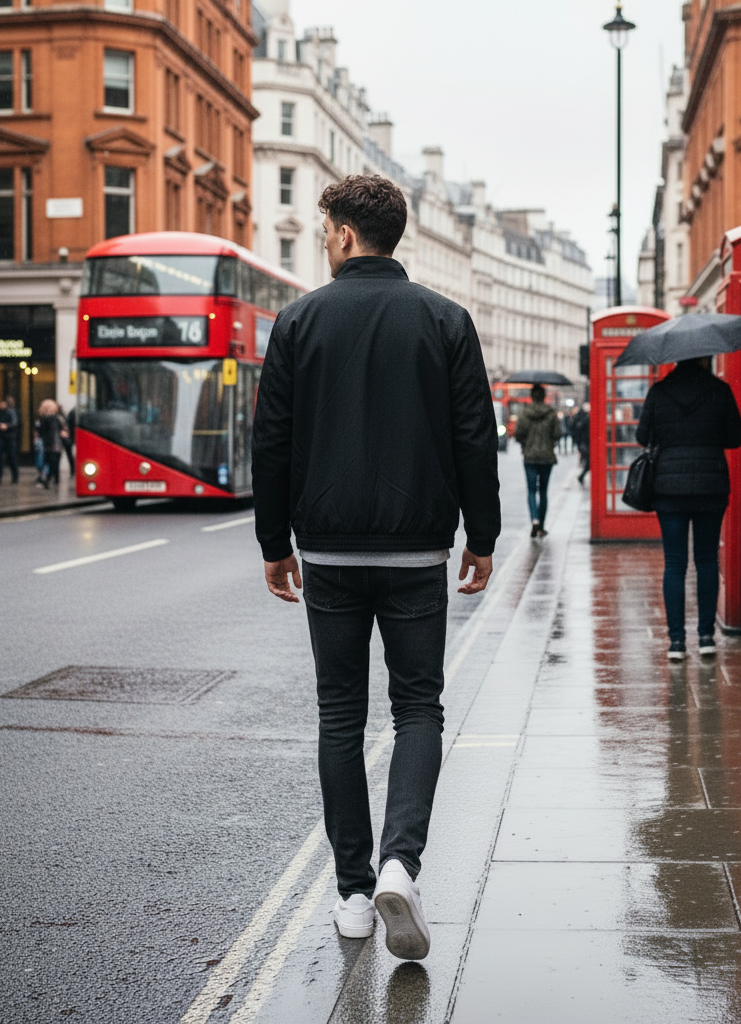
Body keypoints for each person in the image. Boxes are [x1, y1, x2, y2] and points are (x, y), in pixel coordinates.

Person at [252, 174, 500, 961]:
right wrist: (483, 536)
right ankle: (402, 862)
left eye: (326, 229)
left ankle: (356, 893)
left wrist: (272, 543)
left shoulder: (298, 322)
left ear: (348, 234)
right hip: (417, 549)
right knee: (418, 706)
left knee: (339, 715)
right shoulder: (446, 320)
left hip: (325, 551)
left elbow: (273, 444)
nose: (324, 240)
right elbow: (472, 438)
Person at [636, 357, 741, 660]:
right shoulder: (720, 390)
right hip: (711, 485)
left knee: (675, 563)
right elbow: (736, 437)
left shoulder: (659, 392)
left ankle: (677, 643)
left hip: (669, 488)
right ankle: (706, 637)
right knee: (707, 560)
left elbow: (642, 437)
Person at [514, 384, 561, 537]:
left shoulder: (524, 412)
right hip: (547, 457)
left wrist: (525, 444)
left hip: (530, 457)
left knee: (531, 490)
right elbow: (558, 434)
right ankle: (541, 526)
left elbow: (518, 433)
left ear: (532, 396)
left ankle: (534, 520)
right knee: (543, 491)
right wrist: (550, 442)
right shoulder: (552, 412)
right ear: (544, 396)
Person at [35, 399, 63, 488]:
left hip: (48, 444)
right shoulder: (55, 418)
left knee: (48, 462)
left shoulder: (44, 419)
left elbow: (41, 432)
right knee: (53, 463)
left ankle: (47, 479)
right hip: (55, 444)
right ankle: (50, 479)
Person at [0, 397, 19, 483]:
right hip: (1, 437)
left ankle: (14, 476)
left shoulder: (11, 412)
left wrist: (7, 426)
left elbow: (14, 423)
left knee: (11, 457)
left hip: (9, 438)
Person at [571, 401, 591, 485]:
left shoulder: (583, 419)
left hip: (586, 444)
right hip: (587, 444)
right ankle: (581, 476)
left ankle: (581, 476)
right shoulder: (587, 419)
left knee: (589, 463)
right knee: (589, 463)